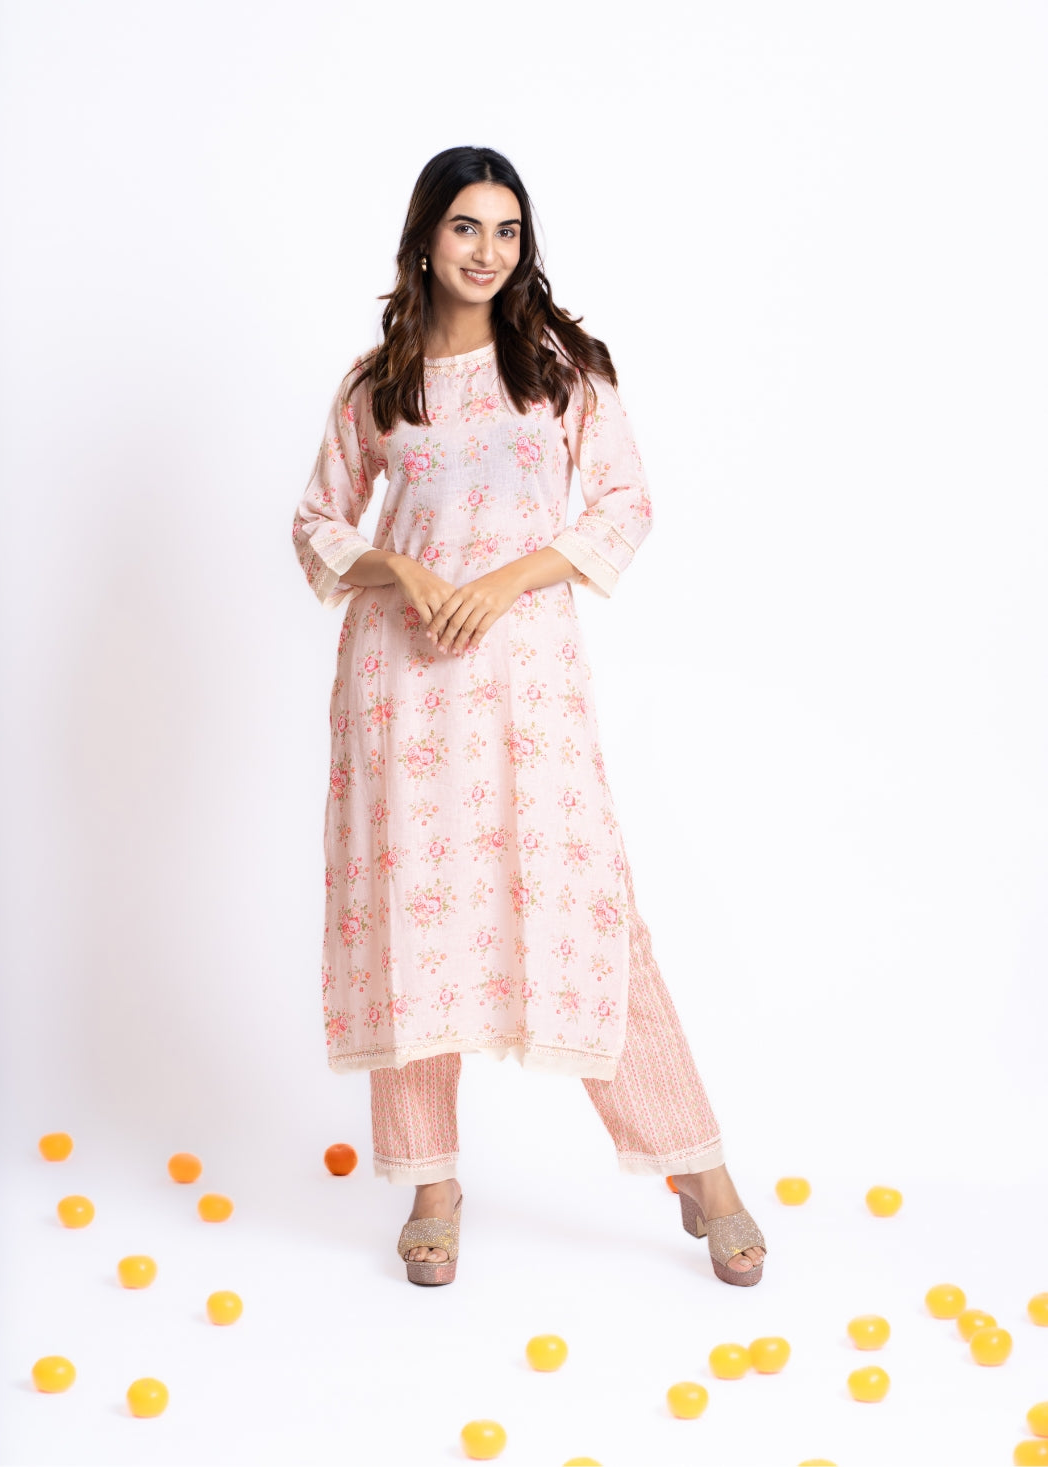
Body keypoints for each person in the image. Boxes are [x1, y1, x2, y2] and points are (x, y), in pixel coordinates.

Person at [291, 145, 767, 1288]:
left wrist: (503, 580)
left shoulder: (556, 369)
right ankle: (432, 1186)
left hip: (526, 684)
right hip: (401, 687)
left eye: (505, 230)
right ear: (424, 237)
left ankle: (699, 1172)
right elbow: (316, 522)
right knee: (411, 926)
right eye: (465, 226)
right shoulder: (376, 383)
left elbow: (624, 502)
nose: (486, 250)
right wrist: (400, 571)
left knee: (589, 914)